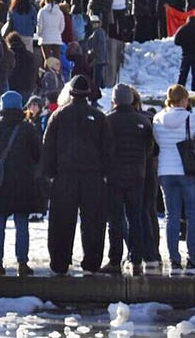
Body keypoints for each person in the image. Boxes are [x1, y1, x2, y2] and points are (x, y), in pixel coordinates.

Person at [42, 75, 114, 274]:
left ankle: (59, 261)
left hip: (64, 176)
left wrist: (49, 173)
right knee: (93, 221)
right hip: (93, 176)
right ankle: (91, 262)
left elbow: (48, 147)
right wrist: (106, 172)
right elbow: (107, 148)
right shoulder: (99, 117)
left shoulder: (58, 116)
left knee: (61, 221)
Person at [0, 90, 42, 276]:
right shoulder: (27, 128)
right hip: (23, 182)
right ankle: (22, 263)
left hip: (0, 182)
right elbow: (37, 154)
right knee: (22, 224)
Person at [154, 84, 195, 273]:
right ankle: (192, 260)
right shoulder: (191, 118)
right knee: (193, 216)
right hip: (188, 170)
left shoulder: (158, 118)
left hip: (165, 171)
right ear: (184, 100)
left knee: (171, 217)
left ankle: (174, 261)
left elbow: (158, 141)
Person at [104, 83, 156, 275]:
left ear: (115, 100)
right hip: (137, 175)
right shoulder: (142, 121)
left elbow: (103, 148)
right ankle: (136, 261)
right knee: (136, 219)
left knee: (116, 219)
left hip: (114, 176)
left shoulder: (108, 120)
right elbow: (149, 148)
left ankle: (115, 260)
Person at [173, 12, 195, 91]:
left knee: (183, 74)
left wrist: (183, 44)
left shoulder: (182, 29)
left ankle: (179, 91)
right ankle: (194, 91)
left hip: (186, 55)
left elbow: (176, 41)